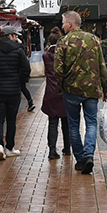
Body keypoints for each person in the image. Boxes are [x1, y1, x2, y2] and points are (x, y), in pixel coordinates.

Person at [55, 11, 107, 175]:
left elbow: (57, 69)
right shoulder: (94, 39)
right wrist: (106, 88)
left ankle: (80, 159)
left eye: (63, 23)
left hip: (71, 89)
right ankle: (89, 155)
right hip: (92, 89)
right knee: (91, 122)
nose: (62, 25)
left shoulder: (63, 41)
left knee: (73, 124)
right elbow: (102, 65)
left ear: (70, 24)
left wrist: (61, 86)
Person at [0, 23, 31, 159]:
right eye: (15, 36)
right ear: (10, 35)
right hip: (14, 89)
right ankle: (10, 147)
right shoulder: (18, 49)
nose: (16, 38)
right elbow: (26, 69)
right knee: (11, 119)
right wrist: (20, 82)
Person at [41, 29, 71, 159]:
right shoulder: (65, 55)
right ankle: (67, 148)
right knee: (67, 122)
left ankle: (52, 149)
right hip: (64, 91)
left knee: (52, 122)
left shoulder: (46, 55)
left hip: (51, 92)